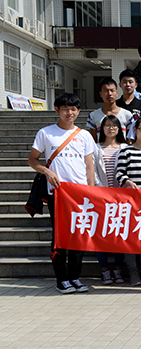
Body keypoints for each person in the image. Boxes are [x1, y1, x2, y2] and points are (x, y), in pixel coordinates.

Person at [28, 93, 96, 294]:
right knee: (59, 236)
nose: (69, 113)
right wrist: (47, 171)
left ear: (78, 111)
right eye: (65, 109)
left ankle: (75, 277)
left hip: (80, 194)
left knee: (79, 235)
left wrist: (91, 190)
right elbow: (33, 160)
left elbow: (89, 166)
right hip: (57, 193)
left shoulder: (85, 135)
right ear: (57, 110)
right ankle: (61, 279)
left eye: (73, 109)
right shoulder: (45, 133)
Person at [116, 117, 141, 286]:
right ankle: (133, 272)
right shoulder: (126, 151)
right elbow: (119, 173)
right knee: (131, 238)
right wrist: (127, 181)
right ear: (135, 130)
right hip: (130, 202)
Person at [93, 115, 128, 285]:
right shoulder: (96, 148)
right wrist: (101, 191)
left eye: (114, 125)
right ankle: (105, 270)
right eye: (107, 125)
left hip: (121, 199)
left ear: (119, 129)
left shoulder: (125, 147)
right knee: (101, 236)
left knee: (119, 235)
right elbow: (92, 171)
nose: (111, 128)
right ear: (102, 128)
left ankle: (118, 269)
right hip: (101, 198)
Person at [86, 78, 132, 142]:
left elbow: (129, 140)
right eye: (105, 91)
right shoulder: (93, 116)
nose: (109, 93)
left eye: (112, 90)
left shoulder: (127, 115)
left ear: (116, 93)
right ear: (100, 94)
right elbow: (94, 141)